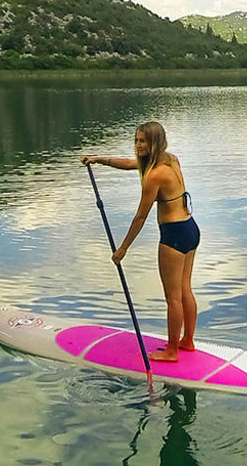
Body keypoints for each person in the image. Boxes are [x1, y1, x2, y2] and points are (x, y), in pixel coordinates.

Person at [82, 121, 198, 361]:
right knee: (185, 288)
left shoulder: (154, 176)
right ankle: (187, 341)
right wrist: (98, 160)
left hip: (173, 236)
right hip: (190, 229)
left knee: (173, 297)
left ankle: (172, 351)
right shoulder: (170, 160)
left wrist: (122, 249)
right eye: (136, 140)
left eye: (142, 141)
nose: (137, 145)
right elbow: (131, 164)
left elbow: (141, 216)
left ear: (155, 142)